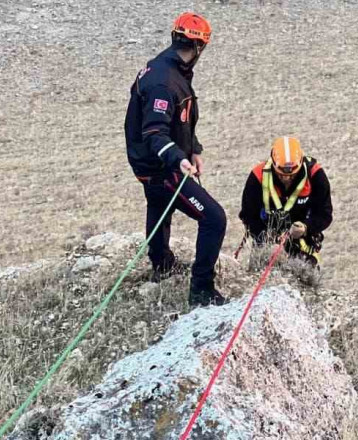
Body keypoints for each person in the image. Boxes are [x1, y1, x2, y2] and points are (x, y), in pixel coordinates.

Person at [124, 12, 227, 307]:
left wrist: (193, 147)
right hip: (161, 166)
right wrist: (176, 159)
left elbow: (177, 121)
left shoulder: (169, 67)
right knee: (214, 218)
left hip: (150, 165)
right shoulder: (164, 83)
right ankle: (201, 290)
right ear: (199, 47)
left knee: (158, 205)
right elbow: (155, 131)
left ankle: (162, 264)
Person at [238, 136, 332, 266]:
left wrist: (306, 227)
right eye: (281, 174)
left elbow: (324, 214)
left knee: (304, 277)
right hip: (266, 241)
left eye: (292, 175)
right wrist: (267, 239)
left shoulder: (315, 176)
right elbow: (248, 216)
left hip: (304, 241)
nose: (286, 179)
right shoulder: (257, 177)